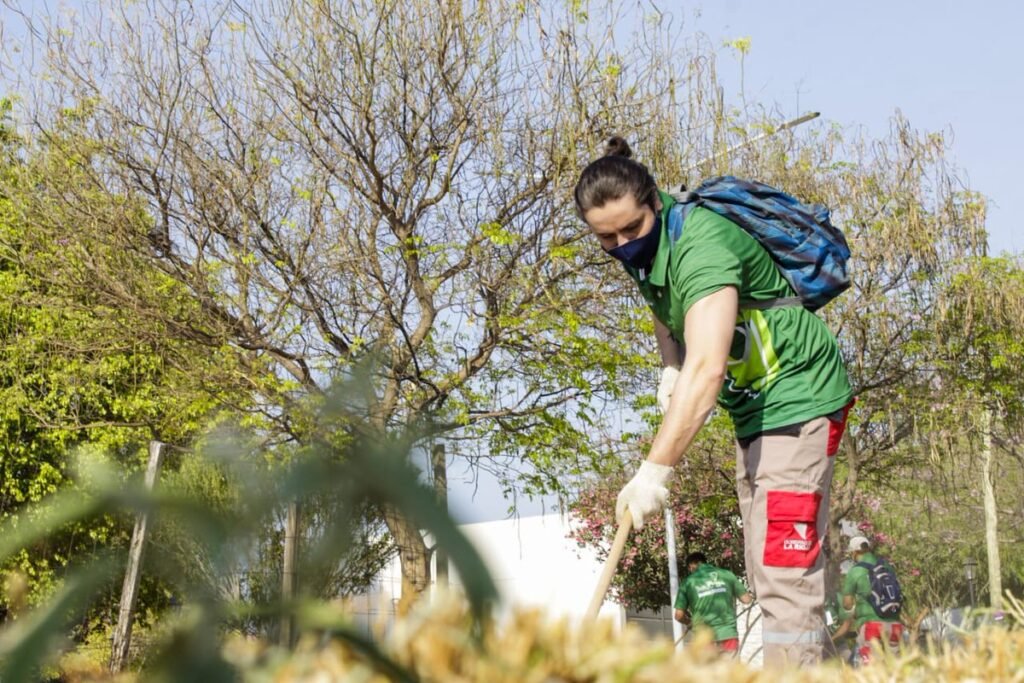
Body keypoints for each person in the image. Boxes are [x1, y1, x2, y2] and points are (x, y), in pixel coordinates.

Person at [574, 137, 854, 666]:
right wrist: (669, 363)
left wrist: (654, 471)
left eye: (631, 229)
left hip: (798, 398)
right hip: (756, 412)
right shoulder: (649, 249)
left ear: (655, 201)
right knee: (766, 565)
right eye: (606, 238)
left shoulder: (701, 245)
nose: (622, 245)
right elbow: (661, 300)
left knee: (783, 570)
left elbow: (708, 371)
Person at [674, 551, 752, 656]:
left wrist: (689, 622)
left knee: (708, 671)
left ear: (692, 565)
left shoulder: (688, 582)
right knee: (730, 671)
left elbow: (679, 615)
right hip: (728, 634)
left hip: (703, 638)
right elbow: (747, 599)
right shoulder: (727, 574)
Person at [842, 536, 903, 664]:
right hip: (894, 625)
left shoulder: (855, 571)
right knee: (896, 667)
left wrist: (853, 611)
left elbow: (847, 604)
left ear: (855, 552)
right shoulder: (887, 567)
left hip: (871, 626)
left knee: (872, 668)